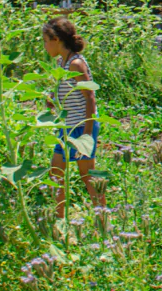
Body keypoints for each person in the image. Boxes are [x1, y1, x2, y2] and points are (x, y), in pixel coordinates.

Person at [42, 17, 106, 217]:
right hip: (66, 127)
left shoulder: (75, 63)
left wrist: (87, 135)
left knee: (88, 176)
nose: (44, 46)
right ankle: (59, 222)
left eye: (45, 41)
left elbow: (90, 97)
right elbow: (67, 89)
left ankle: (104, 220)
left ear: (57, 40)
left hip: (81, 126)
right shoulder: (62, 61)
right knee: (56, 174)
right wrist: (53, 98)